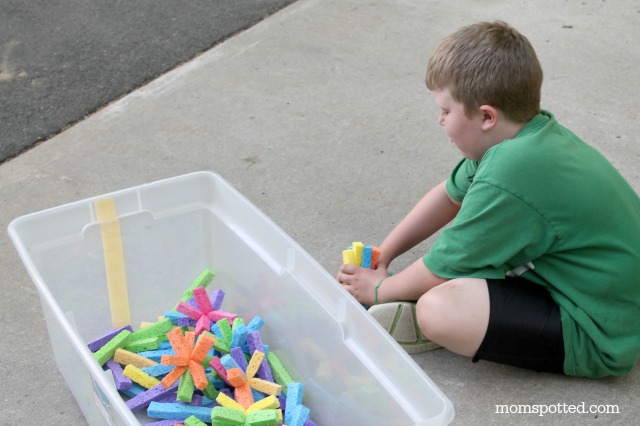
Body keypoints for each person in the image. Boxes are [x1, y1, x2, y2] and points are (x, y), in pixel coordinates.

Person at [336, 20, 640, 378]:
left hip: (601, 332)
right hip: (599, 291)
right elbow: (448, 197)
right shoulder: (524, 138)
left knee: (437, 307)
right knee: (480, 255)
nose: (440, 120)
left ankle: (448, 327)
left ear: (485, 116)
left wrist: (381, 289)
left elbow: (443, 261)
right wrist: (384, 255)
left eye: (446, 111)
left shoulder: (509, 174)